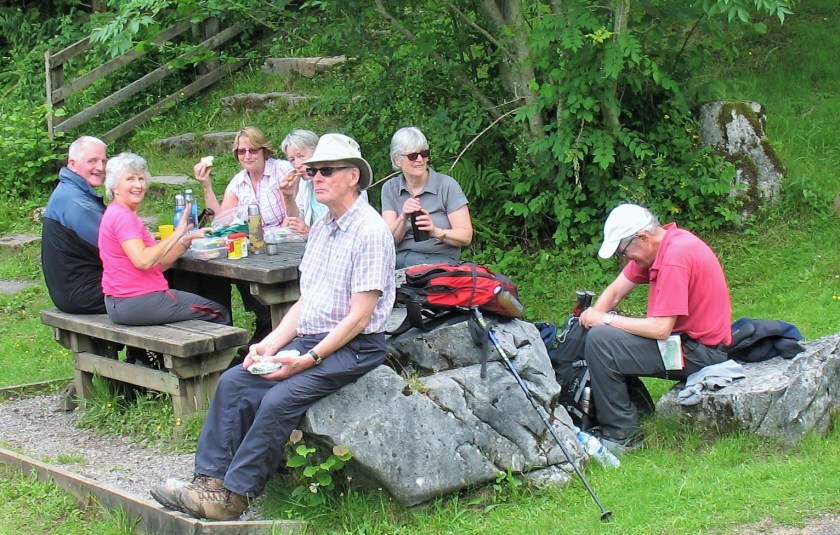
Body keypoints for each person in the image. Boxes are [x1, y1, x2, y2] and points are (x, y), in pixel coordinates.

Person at [151, 133, 395, 521]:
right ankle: (210, 481)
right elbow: (306, 301)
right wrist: (269, 344)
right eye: (313, 171)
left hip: (355, 346)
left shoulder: (369, 231)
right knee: (236, 380)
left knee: (278, 399)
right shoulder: (325, 228)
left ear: (353, 176)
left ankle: (236, 496)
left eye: (326, 171)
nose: (316, 177)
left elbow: (360, 317)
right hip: (311, 337)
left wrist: (308, 358)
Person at [579, 203, 732, 454]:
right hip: (687, 344)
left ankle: (622, 437)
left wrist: (604, 320)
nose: (625, 258)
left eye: (623, 252)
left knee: (601, 342)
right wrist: (594, 314)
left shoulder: (675, 259)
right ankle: (637, 416)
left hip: (699, 353)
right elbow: (617, 290)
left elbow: (660, 329)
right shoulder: (664, 245)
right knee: (604, 335)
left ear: (642, 237)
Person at [99, 152, 230, 329]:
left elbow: (158, 264)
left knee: (195, 309)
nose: (138, 185)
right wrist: (177, 233)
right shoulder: (123, 217)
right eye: (130, 179)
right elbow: (144, 261)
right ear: (114, 186)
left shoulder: (116, 212)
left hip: (121, 303)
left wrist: (187, 239)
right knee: (218, 313)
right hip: (138, 300)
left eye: (141, 178)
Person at [191, 127, 295, 348]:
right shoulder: (239, 181)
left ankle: (272, 327)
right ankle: (254, 326)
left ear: (264, 151)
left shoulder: (281, 170)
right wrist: (206, 186)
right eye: (241, 152)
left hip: (286, 246)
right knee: (224, 274)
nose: (247, 156)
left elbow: (293, 215)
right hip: (255, 249)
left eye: (252, 150)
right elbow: (222, 221)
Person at [380, 126, 473, 268]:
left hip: (439, 262)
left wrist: (436, 231)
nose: (420, 160)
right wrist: (403, 217)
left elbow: (466, 236)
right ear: (397, 160)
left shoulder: (446, 185)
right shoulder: (390, 188)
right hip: (400, 262)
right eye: (412, 156)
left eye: (424, 154)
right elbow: (388, 240)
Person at [42, 136, 108, 314]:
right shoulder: (78, 203)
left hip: (71, 291)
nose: (100, 167)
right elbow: (116, 249)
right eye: (92, 161)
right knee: (167, 281)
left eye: (103, 161)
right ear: (72, 164)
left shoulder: (70, 191)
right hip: (85, 294)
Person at [280, 128, 369, 237]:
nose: (297, 164)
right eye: (292, 159)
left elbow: (350, 230)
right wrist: (288, 196)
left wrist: (310, 232)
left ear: (317, 152)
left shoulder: (347, 183)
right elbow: (296, 219)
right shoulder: (306, 183)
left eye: (301, 156)